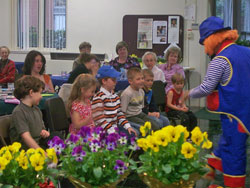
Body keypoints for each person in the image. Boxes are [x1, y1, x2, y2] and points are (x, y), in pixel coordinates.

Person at [187, 16, 250, 188]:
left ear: (210, 39)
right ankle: (211, 168)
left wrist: (188, 93)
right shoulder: (246, 51)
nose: (205, 49)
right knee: (228, 140)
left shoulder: (220, 60)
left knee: (235, 150)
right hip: (246, 109)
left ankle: (233, 184)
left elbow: (206, 88)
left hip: (235, 113)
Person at [91, 65, 137, 137]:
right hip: (104, 130)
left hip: (114, 127)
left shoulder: (115, 96)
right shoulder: (98, 98)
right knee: (128, 137)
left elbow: (119, 114)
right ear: (104, 81)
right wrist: (112, 131)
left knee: (134, 132)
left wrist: (128, 126)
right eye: (113, 80)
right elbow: (99, 119)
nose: (116, 82)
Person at [9, 76, 50, 149]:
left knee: (56, 136)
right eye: (40, 93)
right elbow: (26, 138)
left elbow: (41, 128)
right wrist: (42, 153)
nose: (41, 97)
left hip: (38, 144)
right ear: (31, 93)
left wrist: (44, 132)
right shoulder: (19, 112)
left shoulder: (37, 110)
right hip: (25, 150)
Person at [121, 67, 160, 131]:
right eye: (138, 79)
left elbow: (141, 107)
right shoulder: (127, 93)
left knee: (155, 125)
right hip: (130, 116)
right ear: (130, 81)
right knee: (147, 128)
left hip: (140, 114)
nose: (141, 81)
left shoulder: (141, 91)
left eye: (142, 78)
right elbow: (123, 112)